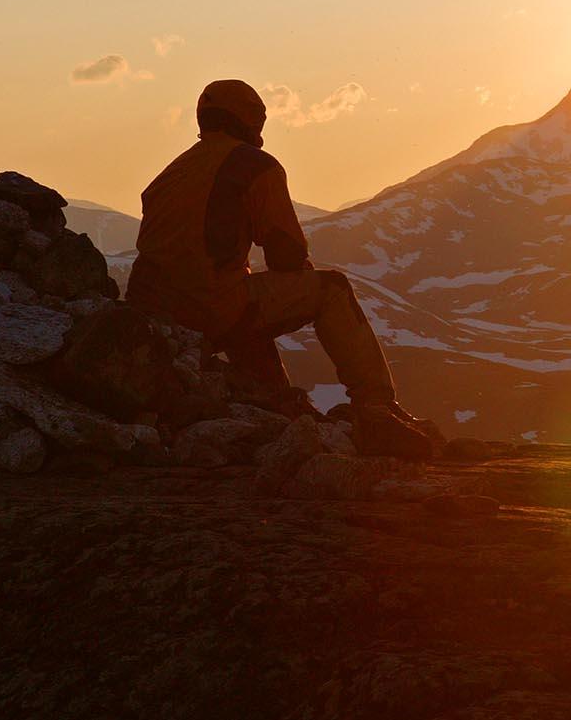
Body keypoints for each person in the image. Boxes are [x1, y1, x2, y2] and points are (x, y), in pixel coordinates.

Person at [126, 79, 443, 459]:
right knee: (331, 290)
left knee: (248, 306)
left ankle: (277, 404)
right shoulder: (254, 165)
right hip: (211, 306)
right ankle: (376, 408)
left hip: (159, 318)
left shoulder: (170, 173)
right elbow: (286, 255)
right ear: (251, 120)